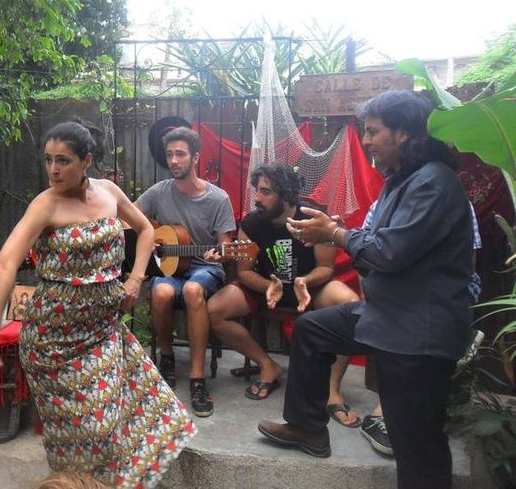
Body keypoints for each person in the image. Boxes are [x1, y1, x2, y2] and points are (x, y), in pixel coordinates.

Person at [258, 90, 473, 489]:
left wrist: (336, 233)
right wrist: (339, 233)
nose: (367, 140)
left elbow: (389, 252)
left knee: (415, 441)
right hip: (388, 314)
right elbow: (374, 243)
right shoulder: (400, 181)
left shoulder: (433, 184)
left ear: (404, 134)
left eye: (373, 131)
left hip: (417, 333)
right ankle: (308, 428)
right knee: (313, 330)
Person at [0, 120, 194, 488]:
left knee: (113, 421)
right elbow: (5, 264)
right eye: (48, 160)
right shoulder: (45, 206)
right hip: (53, 341)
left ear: (86, 160)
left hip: (103, 330)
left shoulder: (109, 192)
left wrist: (135, 278)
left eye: (64, 161)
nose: (54, 170)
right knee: (79, 434)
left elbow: (146, 230)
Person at [207, 163, 361, 426]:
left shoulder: (313, 217)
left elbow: (326, 267)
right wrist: (268, 285)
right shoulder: (252, 224)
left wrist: (304, 280)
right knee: (215, 309)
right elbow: (244, 272)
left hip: (311, 286)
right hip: (268, 287)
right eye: (257, 190)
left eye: (265, 192)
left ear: (285, 195)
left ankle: (332, 390)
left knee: (352, 307)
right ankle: (268, 365)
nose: (257, 198)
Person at [359, 199, 484, 456]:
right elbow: (365, 260)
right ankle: (392, 410)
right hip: (395, 296)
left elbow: (467, 266)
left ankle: (396, 412)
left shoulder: (455, 202)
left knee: (411, 328)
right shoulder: (380, 206)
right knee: (380, 318)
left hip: (443, 297)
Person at [135, 126, 236, 418]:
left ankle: (196, 377)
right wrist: (148, 236)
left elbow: (226, 246)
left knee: (193, 291)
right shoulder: (159, 192)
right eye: (170, 155)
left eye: (181, 154)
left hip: (205, 267)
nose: (174, 160)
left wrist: (221, 253)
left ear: (195, 158)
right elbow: (130, 216)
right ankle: (166, 358)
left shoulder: (218, 198)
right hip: (171, 269)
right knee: (162, 291)